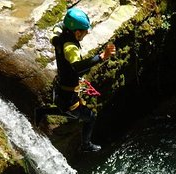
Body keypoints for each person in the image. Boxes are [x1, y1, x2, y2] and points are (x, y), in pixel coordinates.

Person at [35, 7, 116, 152]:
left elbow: (57, 26)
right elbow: (78, 67)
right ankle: (85, 145)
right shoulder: (70, 48)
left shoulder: (58, 36)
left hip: (61, 86)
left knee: (66, 110)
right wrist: (102, 56)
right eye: (85, 31)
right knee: (90, 117)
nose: (86, 33)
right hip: (68, 95)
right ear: (77, 32)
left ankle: (42, 111)